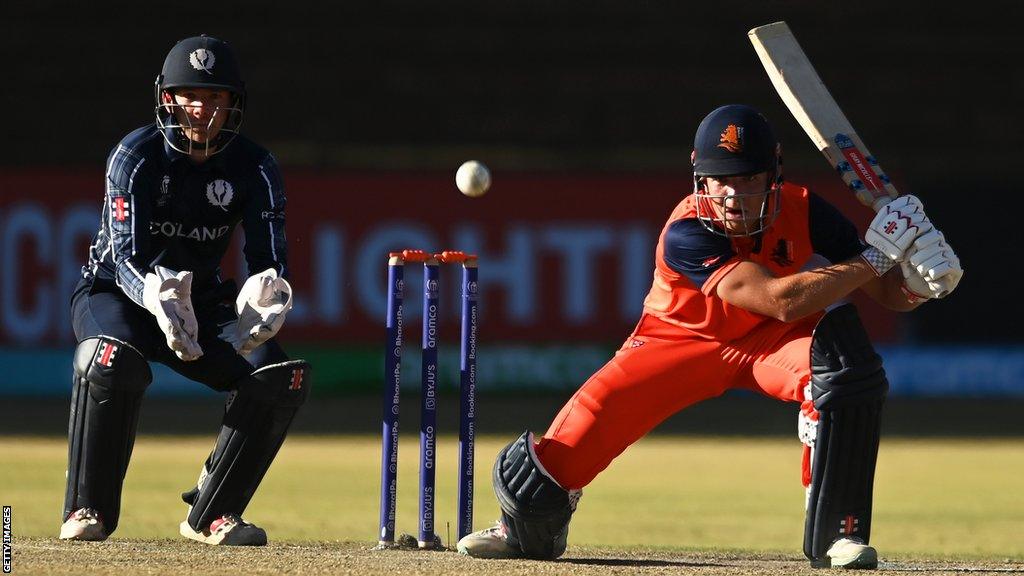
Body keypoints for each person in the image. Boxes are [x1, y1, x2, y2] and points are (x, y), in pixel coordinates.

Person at [456, 104, 962, 568]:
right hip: (676, 340)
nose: (732, 194)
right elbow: (779, 298)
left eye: (746, 178)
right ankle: (519, 532)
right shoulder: (686, 231)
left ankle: (838, 531)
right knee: (540, 484)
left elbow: (884, 293)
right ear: (700, 178)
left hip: (770, 343)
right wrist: (878, 254)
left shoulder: (804, 209)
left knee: (845, 373)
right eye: (719, 180)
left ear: (774, 175)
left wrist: (919, 283)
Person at [59, 35, 309, 546]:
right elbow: (124, 257)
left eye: (215, 97)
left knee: (279, 378)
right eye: (190, 95)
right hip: (115, 294)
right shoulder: (135, 156)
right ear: (167, 98)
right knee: (111, 360)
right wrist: (155, 295)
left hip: (198, 303)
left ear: (232, 104)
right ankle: (88, 510)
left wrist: (264, 296)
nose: (203, 108)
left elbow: (269, 258)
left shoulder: (256, 168)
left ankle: (213, 515)